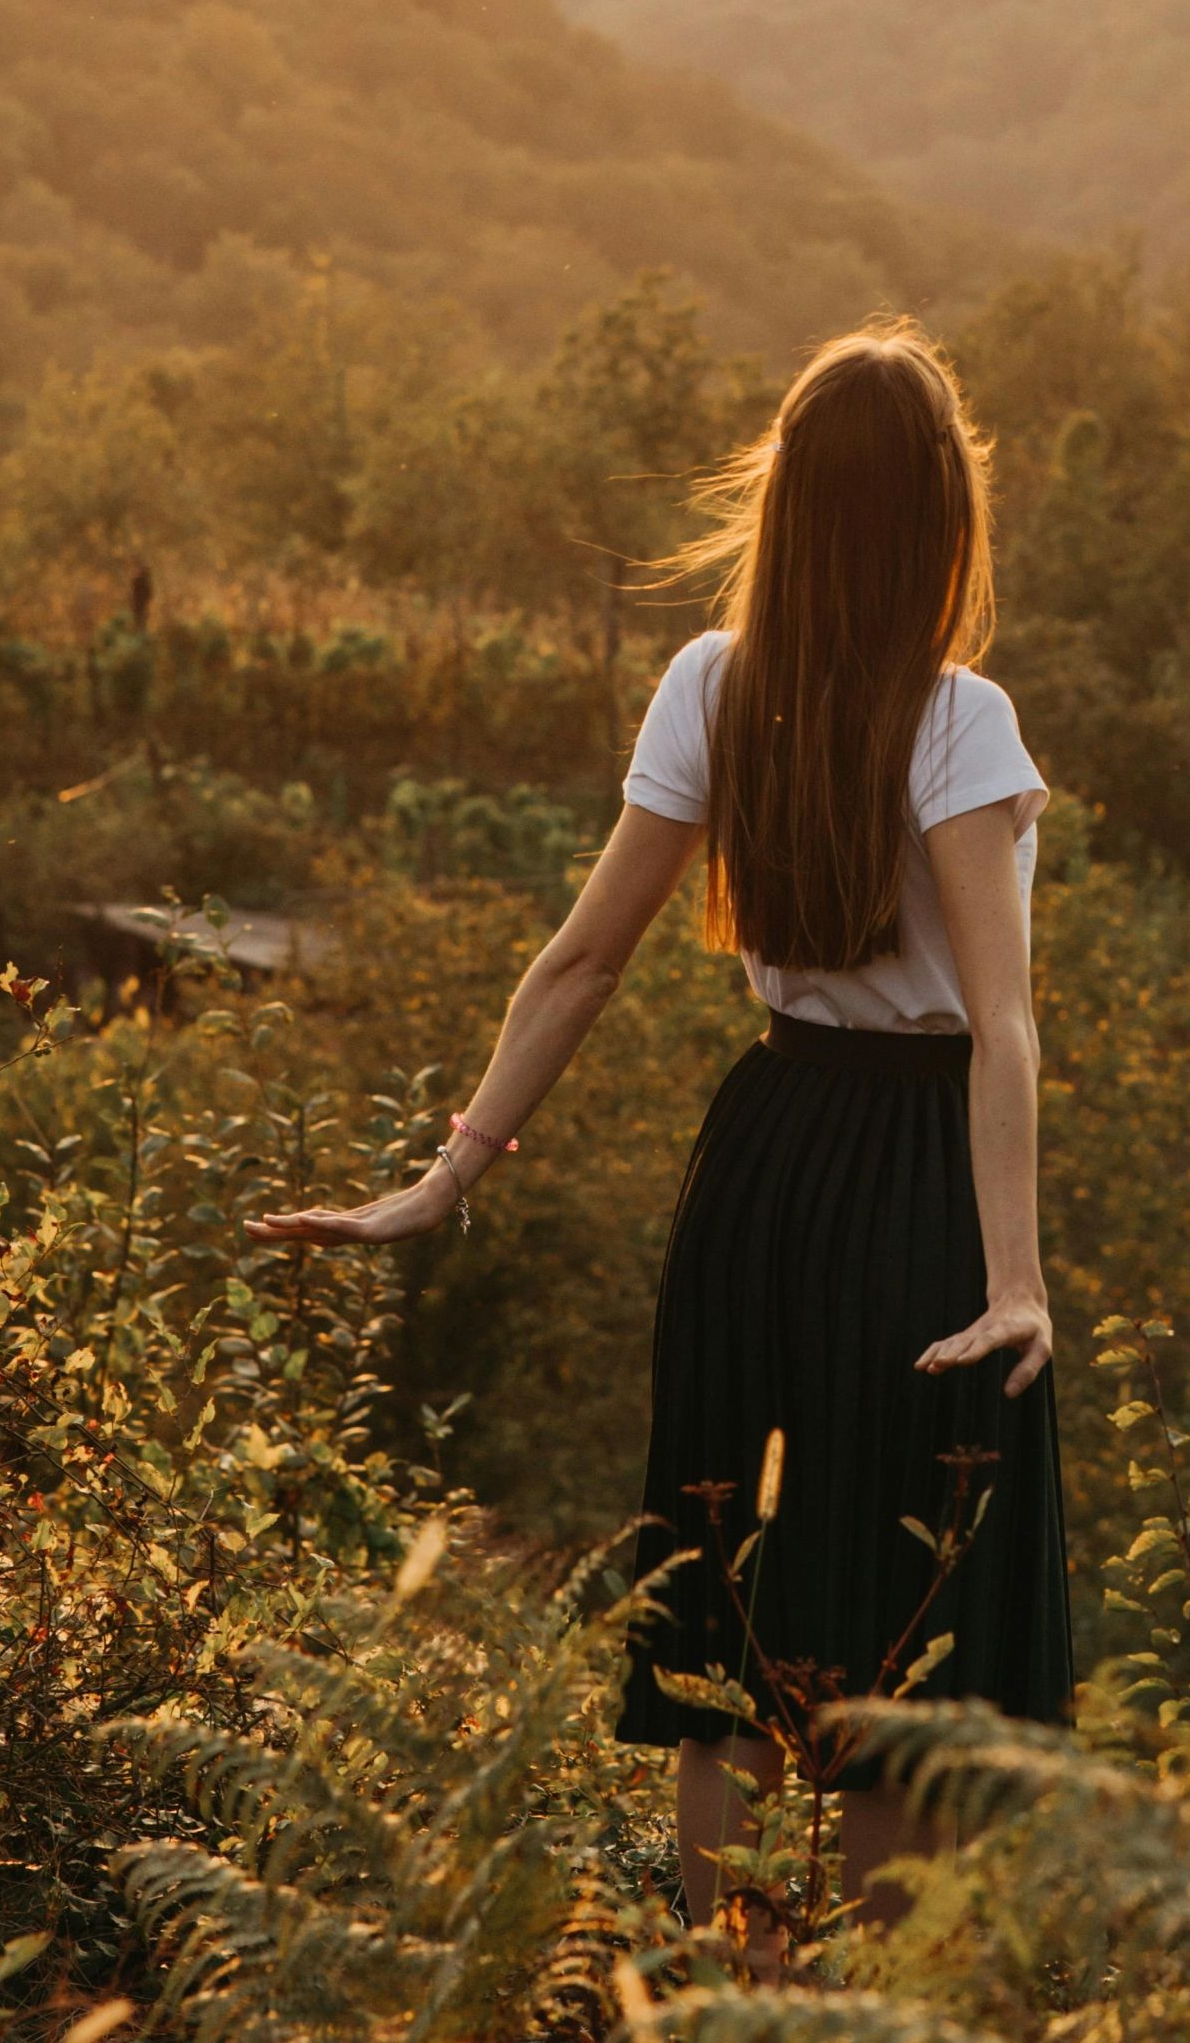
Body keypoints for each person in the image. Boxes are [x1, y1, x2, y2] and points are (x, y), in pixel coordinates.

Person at [247, 319, 1075, 1950]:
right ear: (935, 516)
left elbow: (580, 958)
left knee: (736, 1622)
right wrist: (1019, 1278)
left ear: (787, 507)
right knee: (891, 1641)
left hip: (760, 1161)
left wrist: (449, 1169)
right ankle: (844, 2000)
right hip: (916, 1190)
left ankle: (725, 1983)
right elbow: (1004, 1023)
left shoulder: (714, 680)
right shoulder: (958, 716)